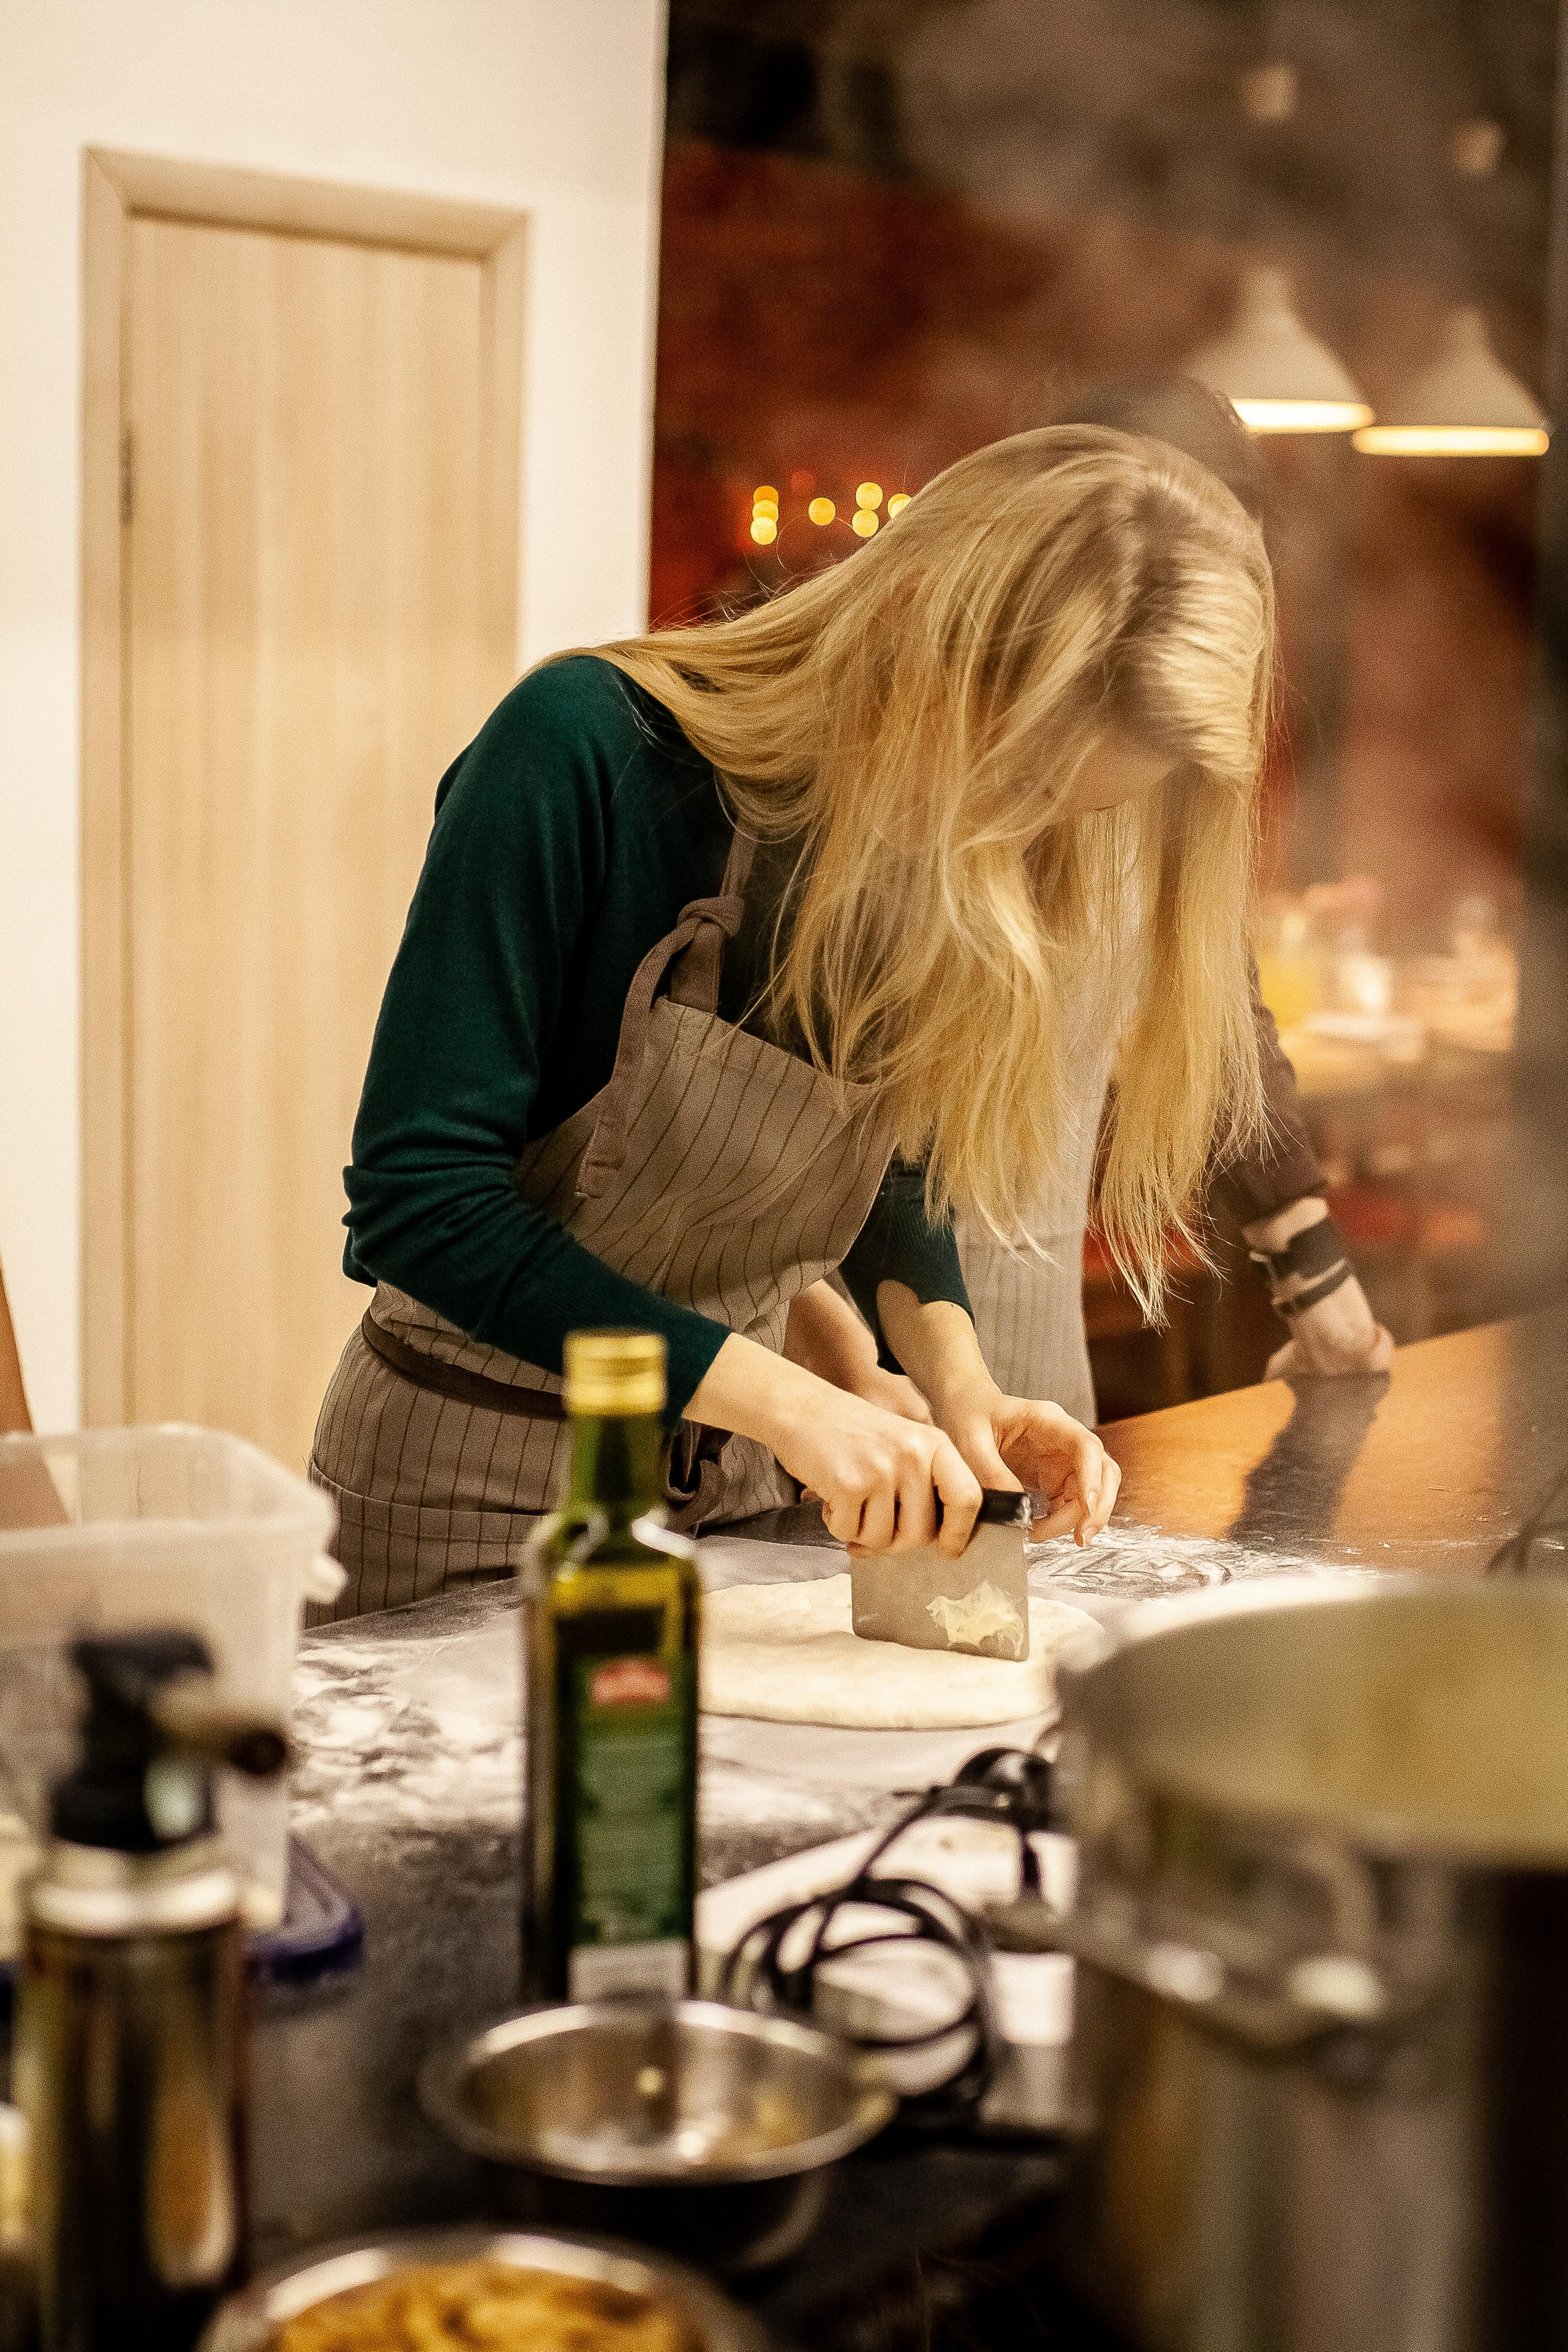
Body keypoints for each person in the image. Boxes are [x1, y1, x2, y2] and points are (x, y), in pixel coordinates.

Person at [312, 424, 1273, 1616]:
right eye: (1014, 782)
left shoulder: (928, 839)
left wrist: (954, 1381)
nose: (1009, 837)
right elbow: (423, 1204)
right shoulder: (584, 752)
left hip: (739, 1503)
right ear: (916, 629)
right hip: (476, 1503)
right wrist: (799, 1404)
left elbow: (874, 1154)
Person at [786, 380, 1393, 1424]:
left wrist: (1316, 1276)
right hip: (820, 1375)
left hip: (1026, 1361)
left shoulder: (1147, 767)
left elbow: (1213, 1017)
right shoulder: (883, 756)